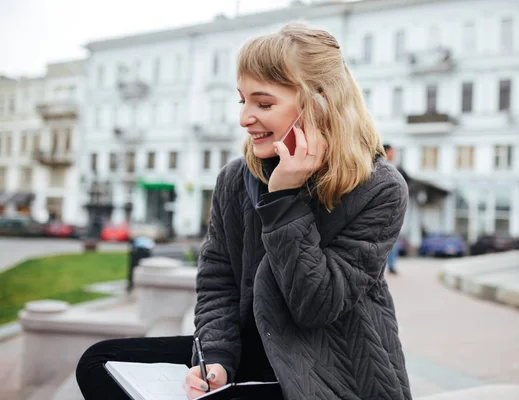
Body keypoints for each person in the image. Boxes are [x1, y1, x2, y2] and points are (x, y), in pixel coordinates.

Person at [76, 23, 411, 400]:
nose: (245, 118)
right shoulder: (237, 177)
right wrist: (216, 357)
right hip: (251, 348)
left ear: (319, 103)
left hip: (330, 365)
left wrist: (284, 201)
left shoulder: (378, 187)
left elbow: (315, 305)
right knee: (98, 361)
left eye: (264, 104)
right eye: (243, 101)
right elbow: (218, 276)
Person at [384, 143, 402, 274]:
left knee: (393, 239)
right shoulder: (381, 167)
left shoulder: (397, 167)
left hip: (395, 209)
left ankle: (391, 265)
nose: (394, 154)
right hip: (384, 208)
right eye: (392, 151)